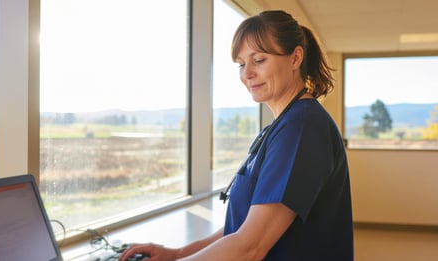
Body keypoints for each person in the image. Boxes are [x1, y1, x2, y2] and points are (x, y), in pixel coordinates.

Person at [119, 10, 353, 261]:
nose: (247, 73)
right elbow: (242, 228)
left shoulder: (302, 127)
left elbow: (250, 246)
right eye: (242, 64)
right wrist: (176, 254)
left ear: (295, 58)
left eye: (259, 60)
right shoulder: (280, 128)